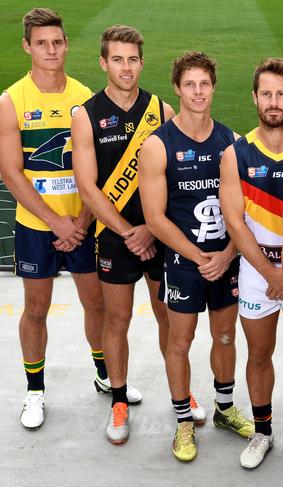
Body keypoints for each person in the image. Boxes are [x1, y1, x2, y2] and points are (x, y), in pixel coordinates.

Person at [139, 52, 254, 461]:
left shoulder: (233, 142)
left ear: (214, 87)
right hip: (183, 264)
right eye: (190, 84)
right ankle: (184, 421)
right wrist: (200, 257)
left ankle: (224, 409)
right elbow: (154, 217)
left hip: (226, 259)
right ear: (177, 88)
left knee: (225, 336)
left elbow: (245, 212)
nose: (198, 91)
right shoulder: (157, 145)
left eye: (204, 83)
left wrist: (225, 254)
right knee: (180, 341)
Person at [71, 25, 179, 444]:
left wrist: (151, 229)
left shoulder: (161, 110)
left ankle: (180, 395)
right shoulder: (87, 115)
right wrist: (128, 231)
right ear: (103, 63)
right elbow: (88, 188)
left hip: (158, 235)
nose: (126, 67)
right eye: (117, 59)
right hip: (117, 239)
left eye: (133, 58)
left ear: (141, 61)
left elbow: (172, 177)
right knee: (116, 321)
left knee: (168, 317)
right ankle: (118, 399)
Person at [0, 8, 105, 429]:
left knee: (95, 304)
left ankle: (104, 374)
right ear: (27, 45)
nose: (50, 50)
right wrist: (57, 223)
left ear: (66, 44)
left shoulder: (85, 99)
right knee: (37, 309)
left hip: (83, 224)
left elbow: (96, 172)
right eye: (41, 43)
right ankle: (35, 391)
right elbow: (11, 172)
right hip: (35, 226)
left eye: (57, 42)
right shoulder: (11, 102)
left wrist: (79, 220)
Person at [220, 58, 283, 468]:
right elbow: (234, 222)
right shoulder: (236, 154)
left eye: (281, 94)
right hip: (257, 271)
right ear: (255, 97)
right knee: (258, 354)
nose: (274, 102)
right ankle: (262, 432)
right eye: (267, 93)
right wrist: (271, 273)